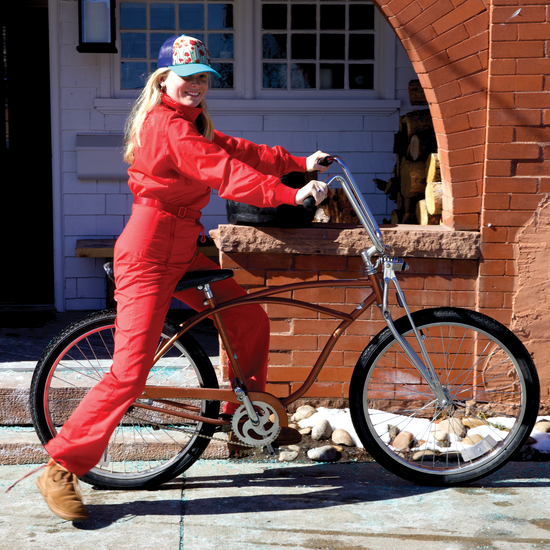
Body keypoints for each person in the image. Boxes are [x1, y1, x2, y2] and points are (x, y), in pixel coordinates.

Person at [36, 35, 329, 522]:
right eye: (186, 76)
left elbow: (239, 151)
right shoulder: (166, 126)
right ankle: (62, 466)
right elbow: (224, 172)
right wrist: (285, 194)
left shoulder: (193, 125)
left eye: (202, 78)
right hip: (149, 253)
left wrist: (299, 163)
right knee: (130, 374)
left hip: (184, 250)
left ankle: (246, 414)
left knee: (249, 319)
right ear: (163, 80)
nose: (195, 85)